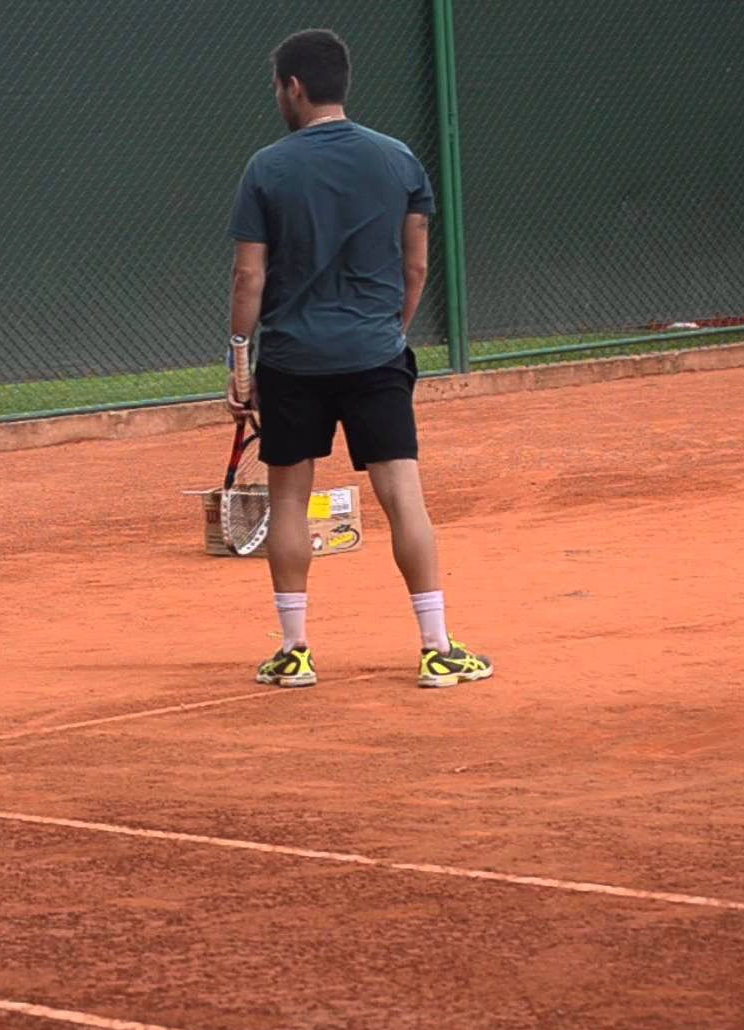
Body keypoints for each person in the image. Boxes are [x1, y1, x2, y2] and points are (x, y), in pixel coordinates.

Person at [224, 30, 489, 690]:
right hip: (375, 353)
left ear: (293, 88)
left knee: (289, 501)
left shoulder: (266, 168)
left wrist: (237, 357)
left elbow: (247, 279)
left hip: (290, 359)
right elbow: (417, 264)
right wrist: (388, 332)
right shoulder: (400, 161)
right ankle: (436, 650)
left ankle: (295, 652)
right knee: (404, 497)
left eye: (277, 90)